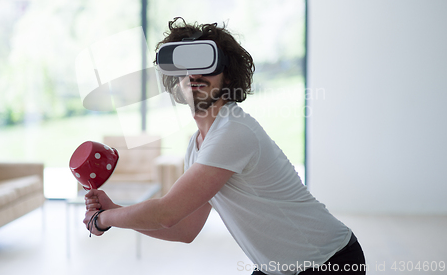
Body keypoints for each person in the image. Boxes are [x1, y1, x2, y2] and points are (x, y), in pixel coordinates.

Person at [83, 18, 366, 275]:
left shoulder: (233, 131)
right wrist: (115, 210)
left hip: (329, 262)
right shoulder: (196, 146)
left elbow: (167, 213)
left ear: (228, 76)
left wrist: (105, 219)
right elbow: (184, 228)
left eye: (206, 64)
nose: (193, 74)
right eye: (185, 65)